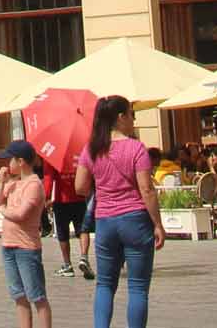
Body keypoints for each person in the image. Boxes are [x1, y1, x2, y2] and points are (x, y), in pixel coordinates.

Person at [74, 96, 164, 328]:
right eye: (132, 113)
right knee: (137, 287)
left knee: (104, 284)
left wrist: (102, 182)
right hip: (135, 220)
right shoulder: (136, 148)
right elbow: (146, 189)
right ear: (121, 117)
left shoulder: (92, 149)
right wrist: (157, 224)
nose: (134, 119)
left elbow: (80, 187)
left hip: (105, 220)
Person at [0, 141, 51, 328]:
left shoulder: (34, 185)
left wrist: (4, 209)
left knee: (37, 297)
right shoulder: (14, 183)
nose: (6, 164)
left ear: (21, 162)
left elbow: (21, 215)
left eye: (10, 159)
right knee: (19, 297)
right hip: (8, 246)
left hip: (26, 249)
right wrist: (2, 184)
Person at [48, 158, 87, 281]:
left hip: (62, 200)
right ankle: (84, 258)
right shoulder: (81, 152)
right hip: (79, 197)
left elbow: (49, 178)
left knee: (62, 233)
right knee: (82, 230)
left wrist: (47, 196)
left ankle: (67, 265)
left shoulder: (53, 155)